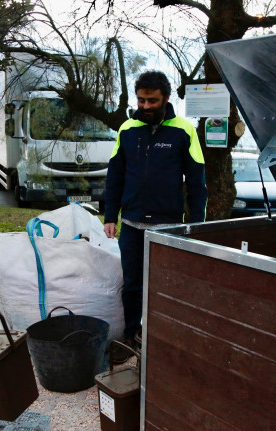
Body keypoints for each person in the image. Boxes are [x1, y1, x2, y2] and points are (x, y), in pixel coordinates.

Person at [104, 71, 208, 363]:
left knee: (166, 285)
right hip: (132, 224)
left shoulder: (183, 130)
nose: (146, 106)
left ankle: (164, 337)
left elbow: (197, 183)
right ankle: (130, 336)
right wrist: (110, 215)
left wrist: (196, 226)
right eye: (141, 100)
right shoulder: (127, 129)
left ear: (165, 99)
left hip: (169, 227)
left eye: (152, 101)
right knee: (133, 283)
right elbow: (115, 175)